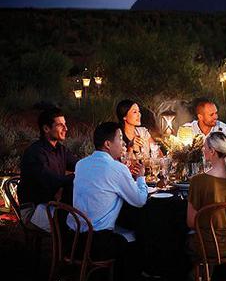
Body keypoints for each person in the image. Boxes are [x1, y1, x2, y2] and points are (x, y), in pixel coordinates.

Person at [68, 122, 148, 259]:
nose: (123, 143)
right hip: (98, 242)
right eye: (120, 138)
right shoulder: (116, 168)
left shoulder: (81, 164)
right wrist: (140, 178)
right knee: (142, 234)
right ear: (108, 144)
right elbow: (140, 200)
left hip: (73, 238)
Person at [187, 132, 226, 258]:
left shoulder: (198, 181)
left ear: (212, 151)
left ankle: (199, 275)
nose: (203, 150)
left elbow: (191, 222)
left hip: (207, 246)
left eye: (204, 147)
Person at [18, 107, 77, 232]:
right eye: (60, 125)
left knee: (83, 218)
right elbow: (52, 181)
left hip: (51, 205)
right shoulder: (35, 153)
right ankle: (65, 250)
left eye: (65, 124)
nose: (66, 129)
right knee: (74, 224)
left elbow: (80, 165)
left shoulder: (60, 149)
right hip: (33, 211)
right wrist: (76, 177)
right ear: (46, 129)